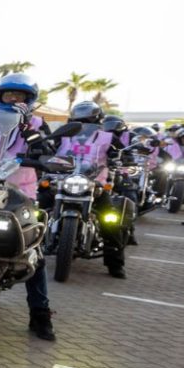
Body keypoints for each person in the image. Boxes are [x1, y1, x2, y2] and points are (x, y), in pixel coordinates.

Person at [0, 74, 58, 339]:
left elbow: (48, 151)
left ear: (29, 100)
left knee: (33, 250)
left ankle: (40, 314)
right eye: (9, 95)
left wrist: (29, 131)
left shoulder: (38, 124)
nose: (13, 100)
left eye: (19, 96)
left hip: (20, 194)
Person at [55, 101, 132, 277]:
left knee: (110, 220)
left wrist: (121, 159)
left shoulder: (108, 137)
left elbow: (122, 153)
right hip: (63, 181)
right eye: (79, 121)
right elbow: (49, 149)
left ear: (97, 120)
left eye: (88, 121)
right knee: (36, 210)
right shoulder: (64, 135)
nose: (83, 125)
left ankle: (115, 264)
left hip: (95, 183)